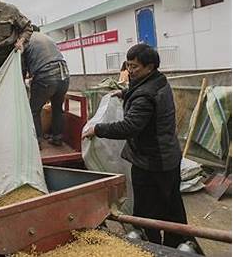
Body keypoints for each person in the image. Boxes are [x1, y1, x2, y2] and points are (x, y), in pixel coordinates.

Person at [81, 43, 190, 248]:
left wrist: (98, 129)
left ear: (150, 66)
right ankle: (178, 244)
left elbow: (129, 126)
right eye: (128, 65)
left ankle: (155, 247)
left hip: (153, 161)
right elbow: (138, 90)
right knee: (171, 205)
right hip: (167, 157)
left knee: (148, 209)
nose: (130, 70)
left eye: (135, 67)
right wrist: (124, 93)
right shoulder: (158, 81)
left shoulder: (146, 95)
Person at [22, 26, 70, 148]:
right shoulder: (48, 38)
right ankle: (57, 138)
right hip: (64, 75)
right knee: (57, 108)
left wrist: (22, 82)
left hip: (46, 77)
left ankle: (37, 142)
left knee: (34, 110)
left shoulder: (26, 41)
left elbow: (23, 67)